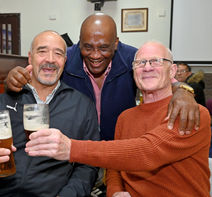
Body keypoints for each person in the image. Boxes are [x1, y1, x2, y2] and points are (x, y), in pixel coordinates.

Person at [25, 41, 211, 197]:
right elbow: (114, 167)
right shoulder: (125, 117)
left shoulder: (192, 113)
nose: (147, 68)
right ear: (133, 71)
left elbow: (146, 152)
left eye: (156, 61)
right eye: (140, 63)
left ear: (172, 71)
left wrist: (71, 148)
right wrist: (115, 191)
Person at [6, 13, 199, 140]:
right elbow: (35, 78)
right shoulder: (64, 58)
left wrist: (183, 91)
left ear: (115, 43)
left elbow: (164, 77)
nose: (96, 55)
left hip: (121, 147)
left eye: (104, 48)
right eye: (88, 47)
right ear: (80, 43)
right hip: (77, 151)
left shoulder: (132, 57)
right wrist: (12, 80)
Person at [0, 30, 100, 197]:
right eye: (42, 51)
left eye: (58, 53)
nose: (50, 59)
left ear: (64, 61)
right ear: (30, 57)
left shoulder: (82, 105)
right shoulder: (1, 102)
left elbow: (88, 165)